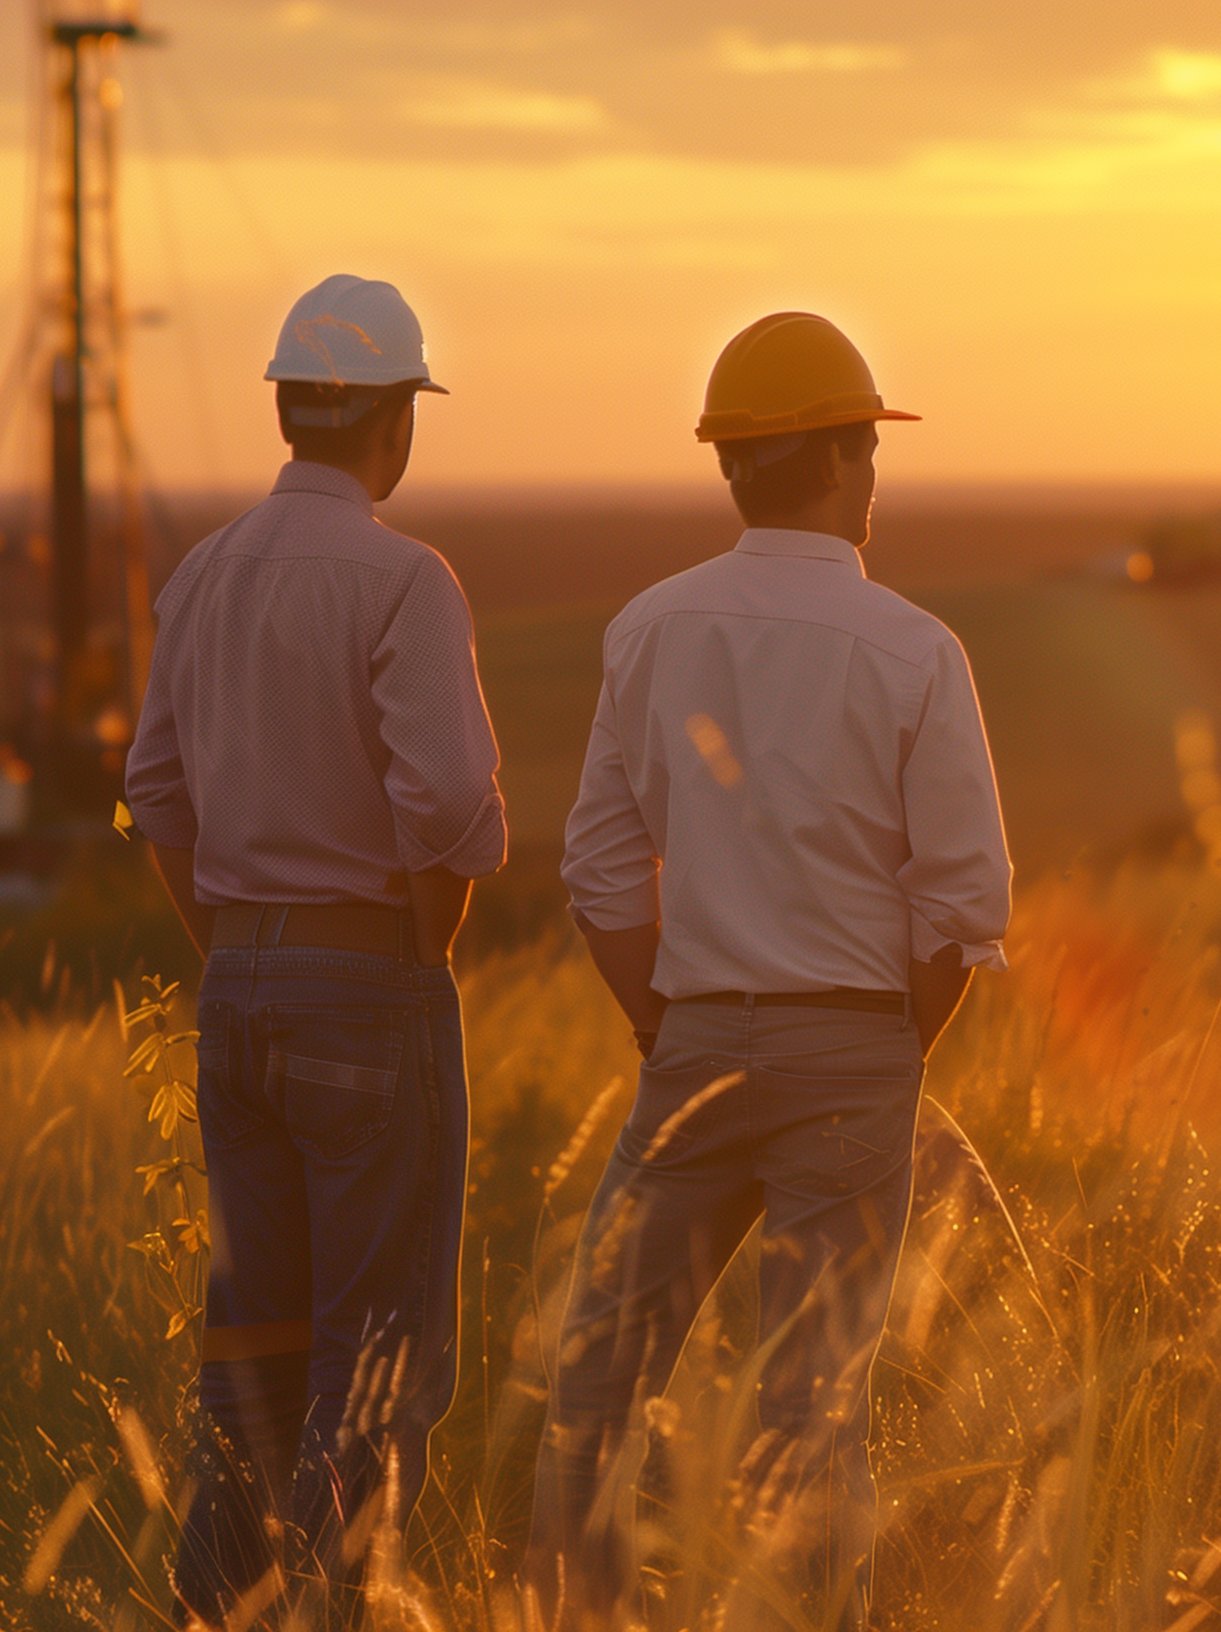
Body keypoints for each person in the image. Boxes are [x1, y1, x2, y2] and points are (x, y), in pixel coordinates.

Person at [528, 311, 1010, 1631]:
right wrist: (893, 1047)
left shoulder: (648, 629)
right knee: (813, 1413)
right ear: (853, 459)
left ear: (730, 466)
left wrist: (660, 1026)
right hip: (857, 1047)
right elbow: (963, 901)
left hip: (690, 1043)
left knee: (594, 1390)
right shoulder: (918, 651)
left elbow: (599, 868)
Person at [125, 274, 504, 1629]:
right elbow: (452, 805)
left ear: (289, 407)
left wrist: (236, 946)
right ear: (393, 421)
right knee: (370, 1363)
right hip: (369, 981)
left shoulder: (203, 576)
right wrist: (422, 939)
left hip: (237, 986)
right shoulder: (406, 580)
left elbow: (154, 798)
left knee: (249, 1365)